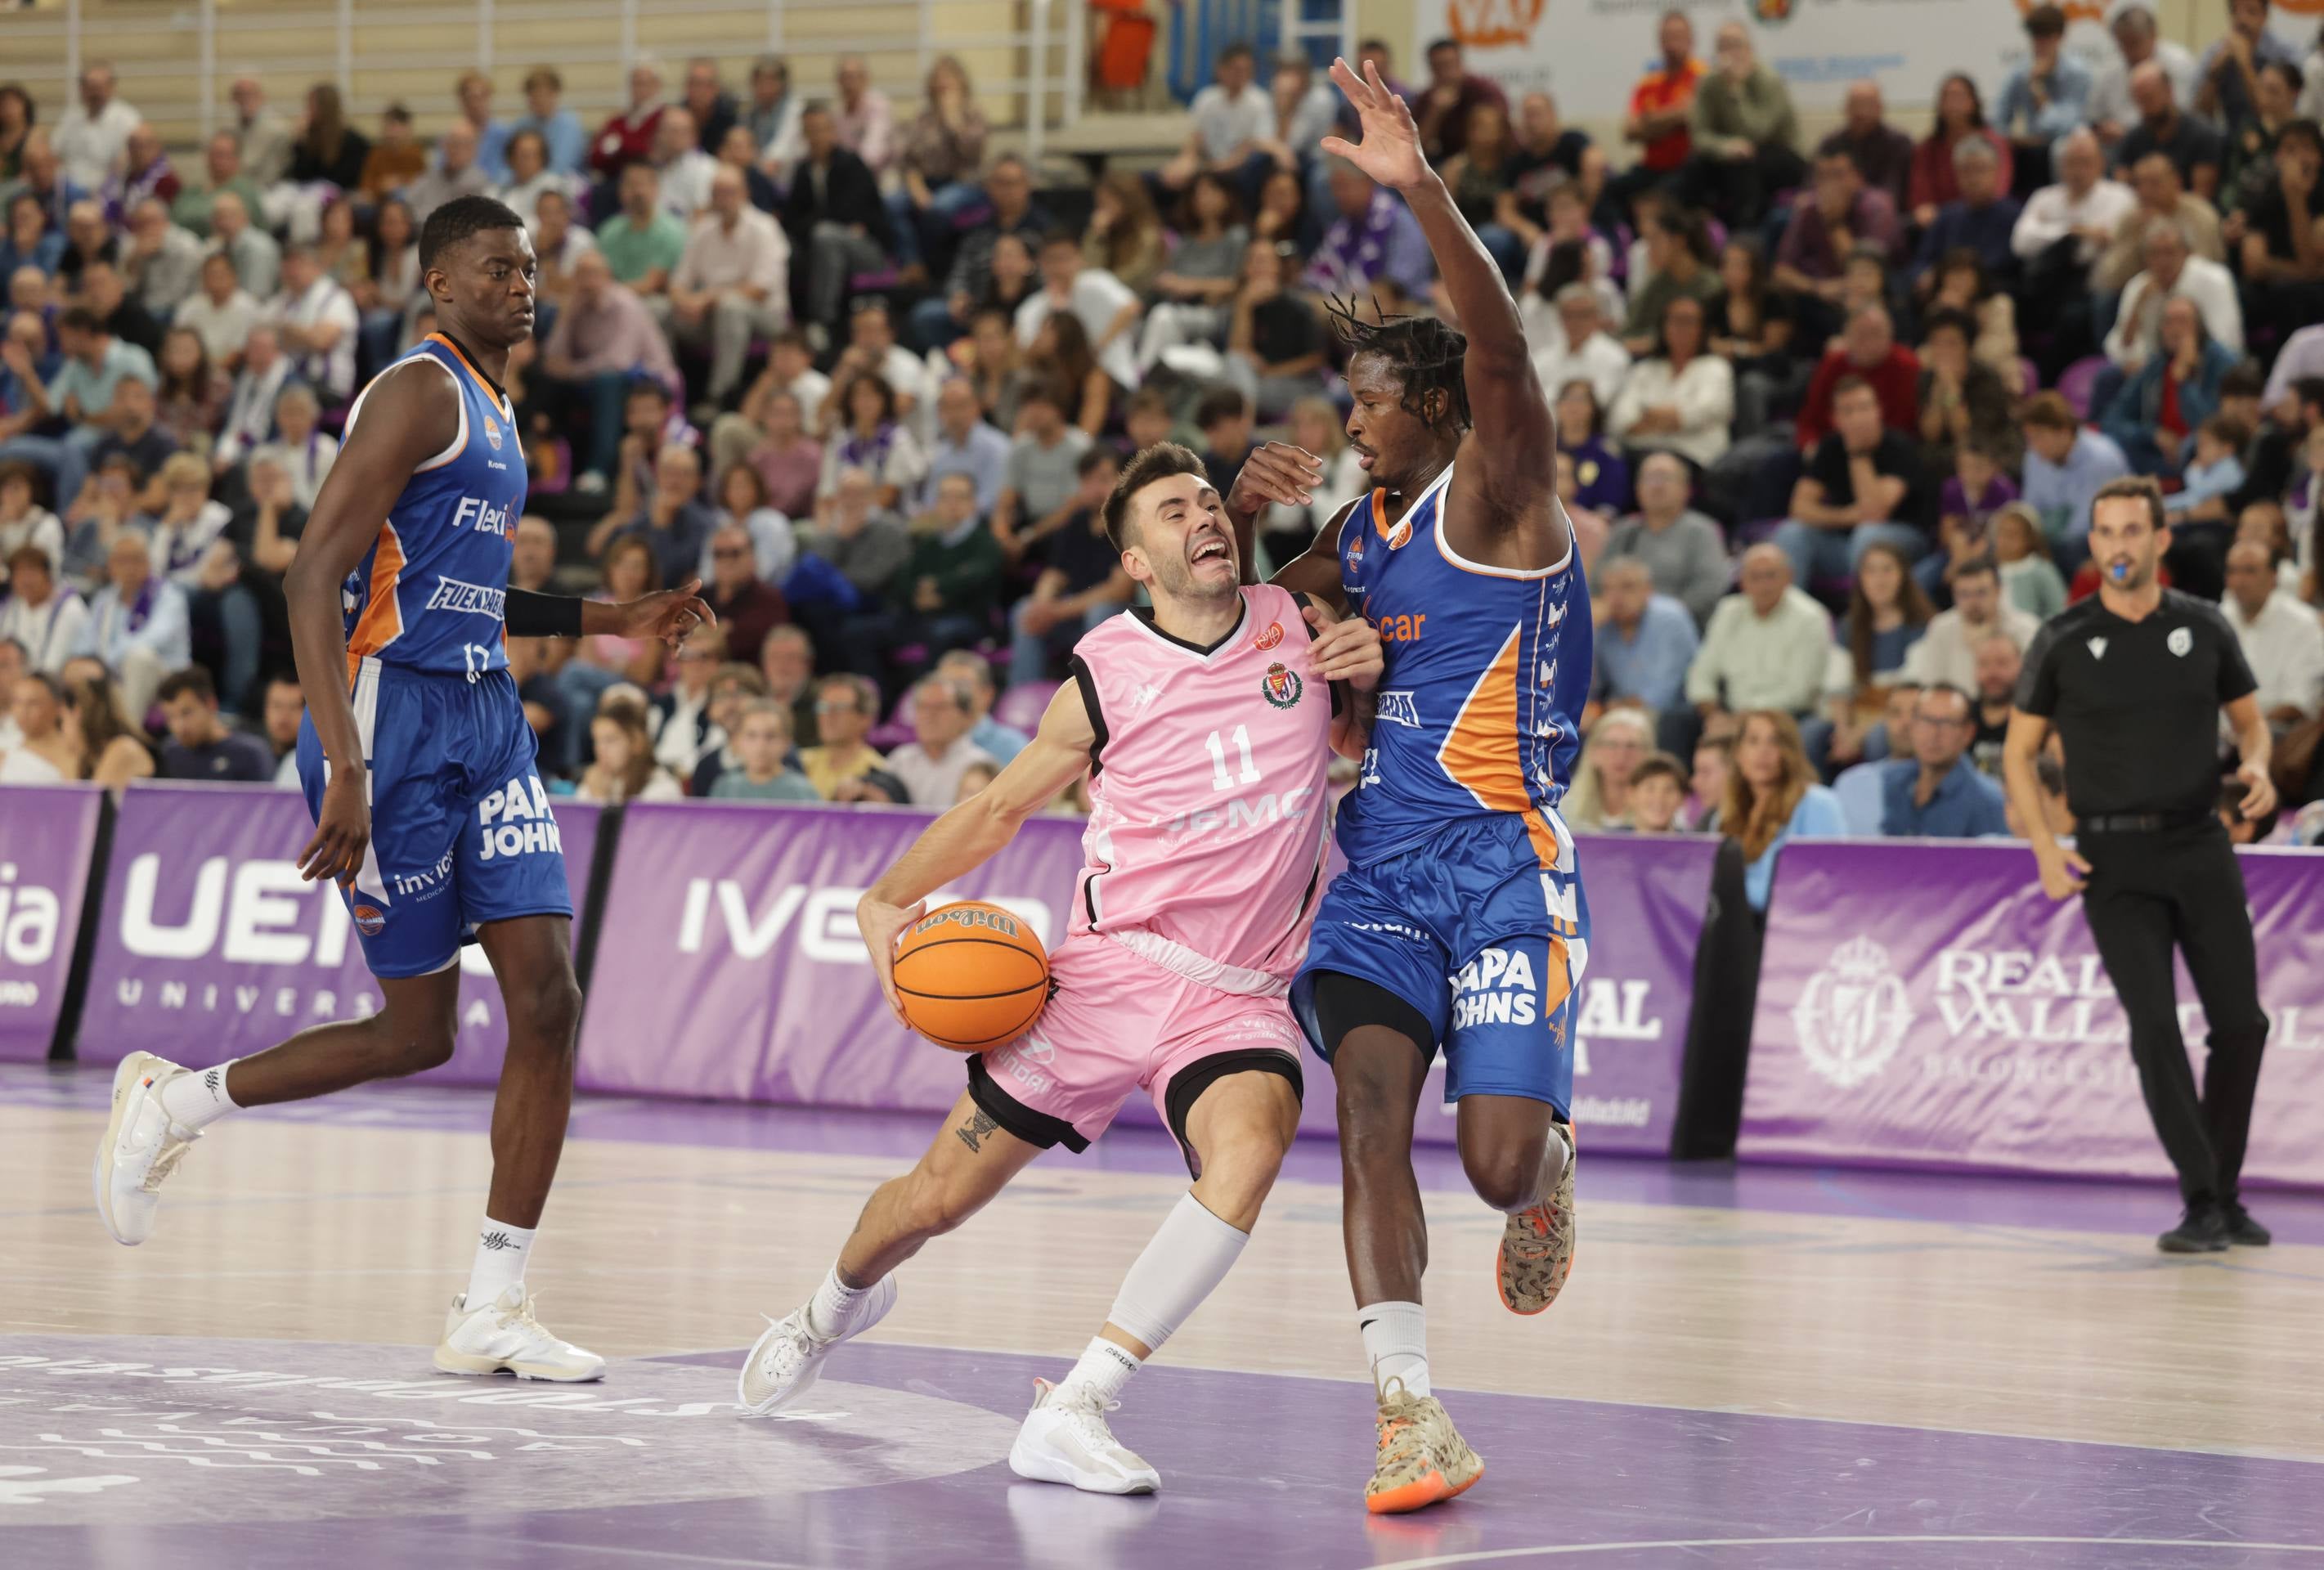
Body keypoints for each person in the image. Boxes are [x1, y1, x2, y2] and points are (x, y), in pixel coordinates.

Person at [91, 197, 711, 1383]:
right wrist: (347, 765)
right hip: (388, 719)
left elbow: (462, 594)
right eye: (495, 269)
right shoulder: (416, 391)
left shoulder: (496, 404)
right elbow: (313, 573)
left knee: (546, 1000)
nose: (520, 286)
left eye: (529, 269)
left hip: (483, 713)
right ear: (437, 283)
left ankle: (493, 1302)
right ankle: (176, 1105)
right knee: (418, 1032)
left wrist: (607, 617)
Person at [741, 441, 1380, 1497]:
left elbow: (1359, 659)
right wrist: (885, 897)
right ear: (1137, 561)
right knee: (932, 1203)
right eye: (1172, 513)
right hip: (1106, 973)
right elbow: (998, 808)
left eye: (1207, 503)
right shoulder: (1105, 669)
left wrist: (1365, 671)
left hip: (1234, 996)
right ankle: (821, 1314)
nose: (1201, 518)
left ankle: (1077, 1403)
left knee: (1251, 1148)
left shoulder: (1296, 626)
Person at [1229, 57, 1586, 1513]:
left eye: (1374, 401)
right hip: (1379, 868)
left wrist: (1420, 188)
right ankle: (1408, 1409)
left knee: (1491, 1166)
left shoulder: (1502, 493)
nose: (1353, 420)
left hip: (1501, 866)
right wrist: (1245, 535)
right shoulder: (1362, 526)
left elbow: (1503, 354)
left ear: (1438, 405)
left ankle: (1548, 1162)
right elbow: (1250, 623)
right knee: (1367, 1122)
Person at [2003, 476, 2274, 1252]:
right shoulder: (2061, 636)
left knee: (2242, 1025)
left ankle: (2223, 1191)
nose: (2117, 545)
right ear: (2092, 544)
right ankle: (2200, 1199)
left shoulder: (2206, 626)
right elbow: (2018, 755)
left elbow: (2250, 728)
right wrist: (2045, 847)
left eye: (2132, 531)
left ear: (2160, 541)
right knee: (2154, 1024)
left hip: (2199, 841)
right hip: (2112, 856)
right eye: (2104, 532)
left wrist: (2258, 768)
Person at [1775, 376, 1932, 588]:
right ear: (1835, 419)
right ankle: (1790, 615)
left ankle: (1860, 618)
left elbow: (1874, 513)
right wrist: (1846, 516)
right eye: (1848, 411)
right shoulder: (1830, 447)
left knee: (1867, 535)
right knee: (1791, 532)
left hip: (1903, 540)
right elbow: (1799, 508)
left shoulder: (1900, 447)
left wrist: (1858, 454)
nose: (1858, 417)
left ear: (1878, 410)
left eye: (1864, 407)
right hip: (1846, 543)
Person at [1007, 447, 1137, 688]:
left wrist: (1056, 611)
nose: (1096, 489)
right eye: (1088, 481)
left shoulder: (1129, 524)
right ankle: (1023, 693)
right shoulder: (1076, 522)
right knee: (1025, 611)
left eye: (1104, 479)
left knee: (1101, 612)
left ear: (1123, 481)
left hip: (1117, 614)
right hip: (1072, 610)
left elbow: (1118, 590)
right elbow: (1054, 574)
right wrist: (1041, 605)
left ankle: (1094, 695)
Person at [662, 166, 789, 406]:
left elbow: (759, 290)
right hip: (709, 315)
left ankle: (718, 397)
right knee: (660, 310)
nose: (723, 199)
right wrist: (685, 301)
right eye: (717, 193)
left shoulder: (765, 228)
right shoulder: (703, 229)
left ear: (745, 193)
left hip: (765, 317)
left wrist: (709, 298)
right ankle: (667, 392)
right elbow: (678, 282)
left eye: (730, 192)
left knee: (731, 308)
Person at [1680, 24, 1802, 228]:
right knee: (1693, 166)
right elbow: (1699, 135)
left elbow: (1758, 132)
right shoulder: (1708, 82)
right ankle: (1695, 235)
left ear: (1750, 49)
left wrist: (1736, 90)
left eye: (1736, 46)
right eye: (1723, 47)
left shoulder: (1770, 80)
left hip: (1779, 153)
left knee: (1746, 165)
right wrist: (1725, 147)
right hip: (1732, 153)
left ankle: (1746, 236)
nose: (1731, 53)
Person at [1724, 708, 1843, 912]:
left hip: (1794, 928)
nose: (1764, 751)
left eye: (1775, 742)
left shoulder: (1817, 803)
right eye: (1753, 741)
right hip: (1733, 927)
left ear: (1790, 752)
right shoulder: (1725, 814)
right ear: (1738, 754)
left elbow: (1827, 882)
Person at [1602, 452, 1727, 626]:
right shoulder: (1623, 532)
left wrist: (1654, 615)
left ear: (1686, 489)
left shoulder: (1702, 531)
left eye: (1665, 478)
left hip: (1680, 625)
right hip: (1620, 626)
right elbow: (1597, 583)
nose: (1657, 486)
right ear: (1637, 488)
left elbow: (1710, 588)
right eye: (1650, 478)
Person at [1880, 682, 2008, 837]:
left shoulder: (1988, 800)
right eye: (1926, 720)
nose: (1934, 734)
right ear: (1913, 725)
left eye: (1947, 723)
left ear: (1968, 733)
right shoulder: (1889, 782)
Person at [2222, 536, 2324, 727]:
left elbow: (2299, 703)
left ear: (2273, 576)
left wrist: (2251, 734)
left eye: (2250, 571)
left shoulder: (2303, 624)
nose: (2239, 581)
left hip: (2280, 737)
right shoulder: (2218, 620)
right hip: (2219, 739)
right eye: (2232, 571)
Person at [1904, 553, 2039, 689]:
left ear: (1998, 591)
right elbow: (1930, 683)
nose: (1973, 602)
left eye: (1981, 593)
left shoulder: (2026, 627)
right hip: (1955, 708)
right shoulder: (1941, 627)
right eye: (1964, 594)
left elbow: (2033, 683)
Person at [2115, 62, 2224, 202]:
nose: (2146, 108)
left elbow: (2201, 198)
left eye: (2150, 98)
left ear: (2169, 90)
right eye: (2140, 101)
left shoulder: (2203, 136)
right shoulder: (2132, 139)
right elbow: (2121, 190)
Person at [1998, 5, 2093, 156]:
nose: (2040, 45)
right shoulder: (2020, 72)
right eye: (2036, 38)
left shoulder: (2078, 73)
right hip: (2029, 152)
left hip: (2067, 152)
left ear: (2060, 37)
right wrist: (2012, 139)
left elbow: (2067, 126)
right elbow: (1998, 118)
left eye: (2046, 38)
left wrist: (2037, 88)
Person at [153, 663, 275, 780]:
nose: (179, 726)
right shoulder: (168, 753)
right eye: (170, 717)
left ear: (211, 704)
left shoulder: (251, 753)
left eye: (187, 713)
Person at [708, 697, 819, 801]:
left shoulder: (803, 792)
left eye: (770, 736)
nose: (761, 746)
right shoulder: (725, 788)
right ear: (737, 741)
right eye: (751, 735)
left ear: (787, 742)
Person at [1560, 707, 1653, 831]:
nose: (1622, 755)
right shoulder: (1564, 810)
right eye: (1612, 745)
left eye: (1632, 746)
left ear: (1648, 754)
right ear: (1593, 751)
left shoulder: (1662, 811)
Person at [0, 544, 87, 674]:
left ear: (48, 574)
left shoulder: (69, 609)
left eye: (31, 572)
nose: (25, 581)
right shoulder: (12, 607)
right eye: (19, 574)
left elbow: (52, 667)